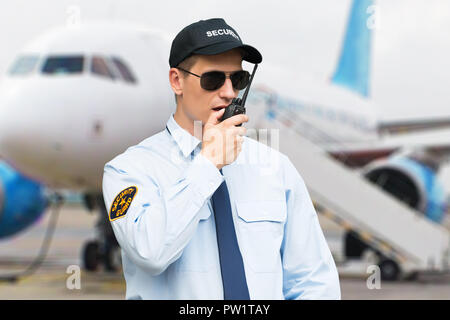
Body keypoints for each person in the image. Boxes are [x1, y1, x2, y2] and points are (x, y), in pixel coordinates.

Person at [102, 18, 341, 300]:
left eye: (238, 80)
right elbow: (150, 252)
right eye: (213, 79)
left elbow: (313, 282)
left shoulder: (276, 169)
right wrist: (207, 163)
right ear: (176, 81)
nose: (228, 92)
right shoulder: (128, 170)